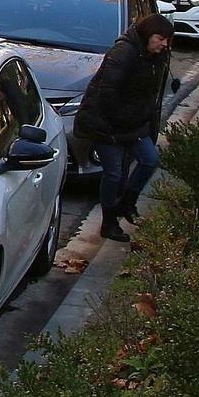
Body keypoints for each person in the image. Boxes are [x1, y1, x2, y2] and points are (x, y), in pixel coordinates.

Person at [74, 15, 173, 242]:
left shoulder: (156, 57)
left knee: (150, 160)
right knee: (114, 172)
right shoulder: (124, 52)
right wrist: (122, 120)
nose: (164, 45)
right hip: (107, 124)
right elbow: (106, 93)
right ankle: (109, 221)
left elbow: (151, 92)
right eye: (160, 39)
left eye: (167, 40)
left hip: (134, 123)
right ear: (148, 34)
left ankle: (126, 203)